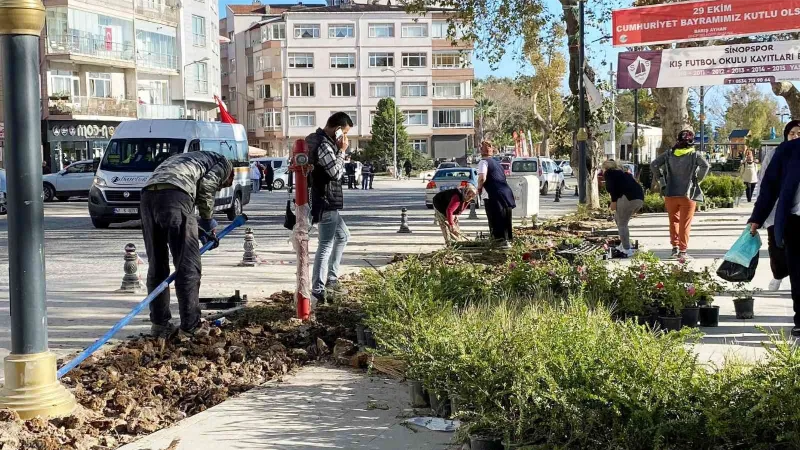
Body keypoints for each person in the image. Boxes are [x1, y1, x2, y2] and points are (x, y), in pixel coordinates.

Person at [140, 151, 233, 338]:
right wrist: (207, 221)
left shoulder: (186, 160)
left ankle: (159, 325)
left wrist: (199, 231)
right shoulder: (224, 163)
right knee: (188, 266)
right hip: (176, 194)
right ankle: (191, 326)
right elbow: (207, 186)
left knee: (157, 265)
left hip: (147, 197)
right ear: (229, 176)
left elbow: (184, 208)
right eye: (222, 185)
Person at [748, 135, 800, 336]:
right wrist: (757, 217)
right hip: (795, 222)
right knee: (798, 273)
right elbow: (769, 187)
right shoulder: (789, 150)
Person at [307, 112, 353, 305]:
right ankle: (318, 289)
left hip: (327, 199)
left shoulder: (320, 141)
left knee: (343, 236)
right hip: (324, 200)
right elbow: (335, 173)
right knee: (325, 244)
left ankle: (331, 278)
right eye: (345, 133)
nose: (345, 138)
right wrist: (342, 151)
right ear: (337, 130)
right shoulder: (324, 144)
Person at [651, 130, 710, 259]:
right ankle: (683, 252)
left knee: (673, 221)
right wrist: (697, 180)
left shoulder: (669, 154)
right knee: (685, 223)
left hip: (670, 193)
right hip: (687, 194)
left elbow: (654, 164)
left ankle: (674, 248)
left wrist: (661, 179)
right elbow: (705, 166)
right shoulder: (695, 155)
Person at [759, 120, 799, 291]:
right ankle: (778, 275)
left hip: (796, 212)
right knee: (776, 247)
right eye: (792, 134)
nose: (796, 137)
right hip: (776, 210)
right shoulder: (774, 154)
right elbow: (764, 182)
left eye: (799, 134)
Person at [477, 141, 516, 247]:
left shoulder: (483, 162)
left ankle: (498, 244)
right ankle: (507, 243)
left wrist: (479, 189)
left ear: (481, 151)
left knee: (495, 221)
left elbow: (482, 177)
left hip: (494, 196)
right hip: (506, 195)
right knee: (506, 222)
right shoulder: (497, 164)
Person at [603, 160, 644, 257]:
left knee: (622, 224)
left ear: (606, 168)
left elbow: (612, 188)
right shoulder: (624, 174)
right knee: (618, 219)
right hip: (639, 199)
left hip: (628, 199)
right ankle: (625, 244)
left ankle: (627, 249)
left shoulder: (609, 173)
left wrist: (613, 202)